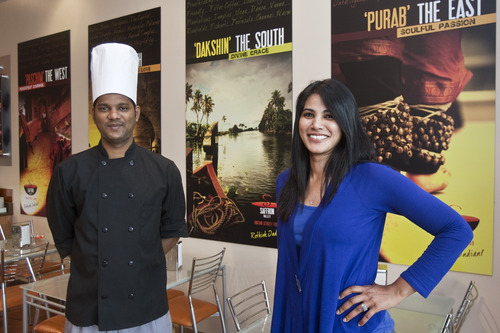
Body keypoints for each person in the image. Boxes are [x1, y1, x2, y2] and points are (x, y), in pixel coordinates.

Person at [271, 79, 473, 332]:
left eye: (329, 116)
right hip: (296, 320)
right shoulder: (285, 183)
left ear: (346, 124)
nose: (316, 124)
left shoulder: (373, 178)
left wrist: (398, 290)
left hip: (351, 325)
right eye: (308, 114)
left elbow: (457, 230)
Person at [46, 43, 188, 332]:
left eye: (122, 107)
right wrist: (97, 264)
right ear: (94, 112)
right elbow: (65, 236)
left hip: (147, 305)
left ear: (136, 111)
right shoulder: (68, 172)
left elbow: (172, 231)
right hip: (88, 307)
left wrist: (135, 258)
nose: (114, 116)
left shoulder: (164, 171)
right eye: (105, 108)